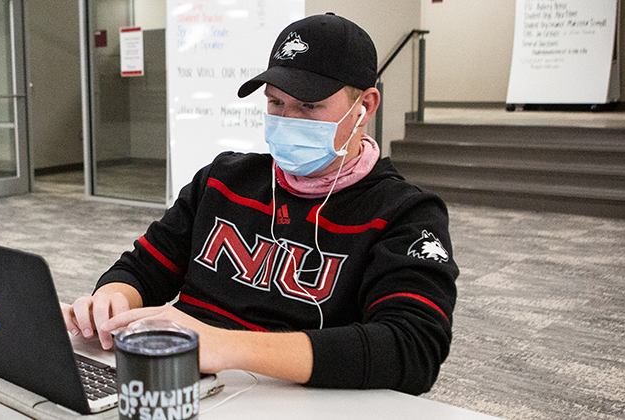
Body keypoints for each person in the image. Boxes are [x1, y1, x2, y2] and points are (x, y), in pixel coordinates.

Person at [61, 13, 458, 395]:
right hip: (187, 384)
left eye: (309, 106)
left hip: (292, 398)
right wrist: (111, 300)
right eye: (276, 103)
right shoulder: (223, 180)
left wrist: (226, 346)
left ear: (365, 107)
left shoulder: (405, 213)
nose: (288, 118)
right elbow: (143, 269)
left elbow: (413, 348)